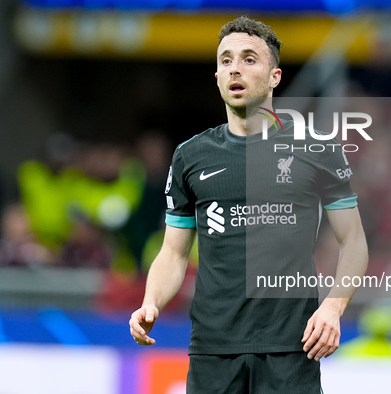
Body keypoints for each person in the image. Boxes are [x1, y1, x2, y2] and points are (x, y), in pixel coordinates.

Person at [129, 16, 368, 393]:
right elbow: (174, 253)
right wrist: (151, 301)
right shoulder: (191, 156)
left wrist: (333, 308)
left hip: (292, 348)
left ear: (274, 76)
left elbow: (353, 241)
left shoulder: (316, 148)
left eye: (249, 59)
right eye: (226, 60)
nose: (235, 68)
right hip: (213, 351)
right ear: (217, 76)